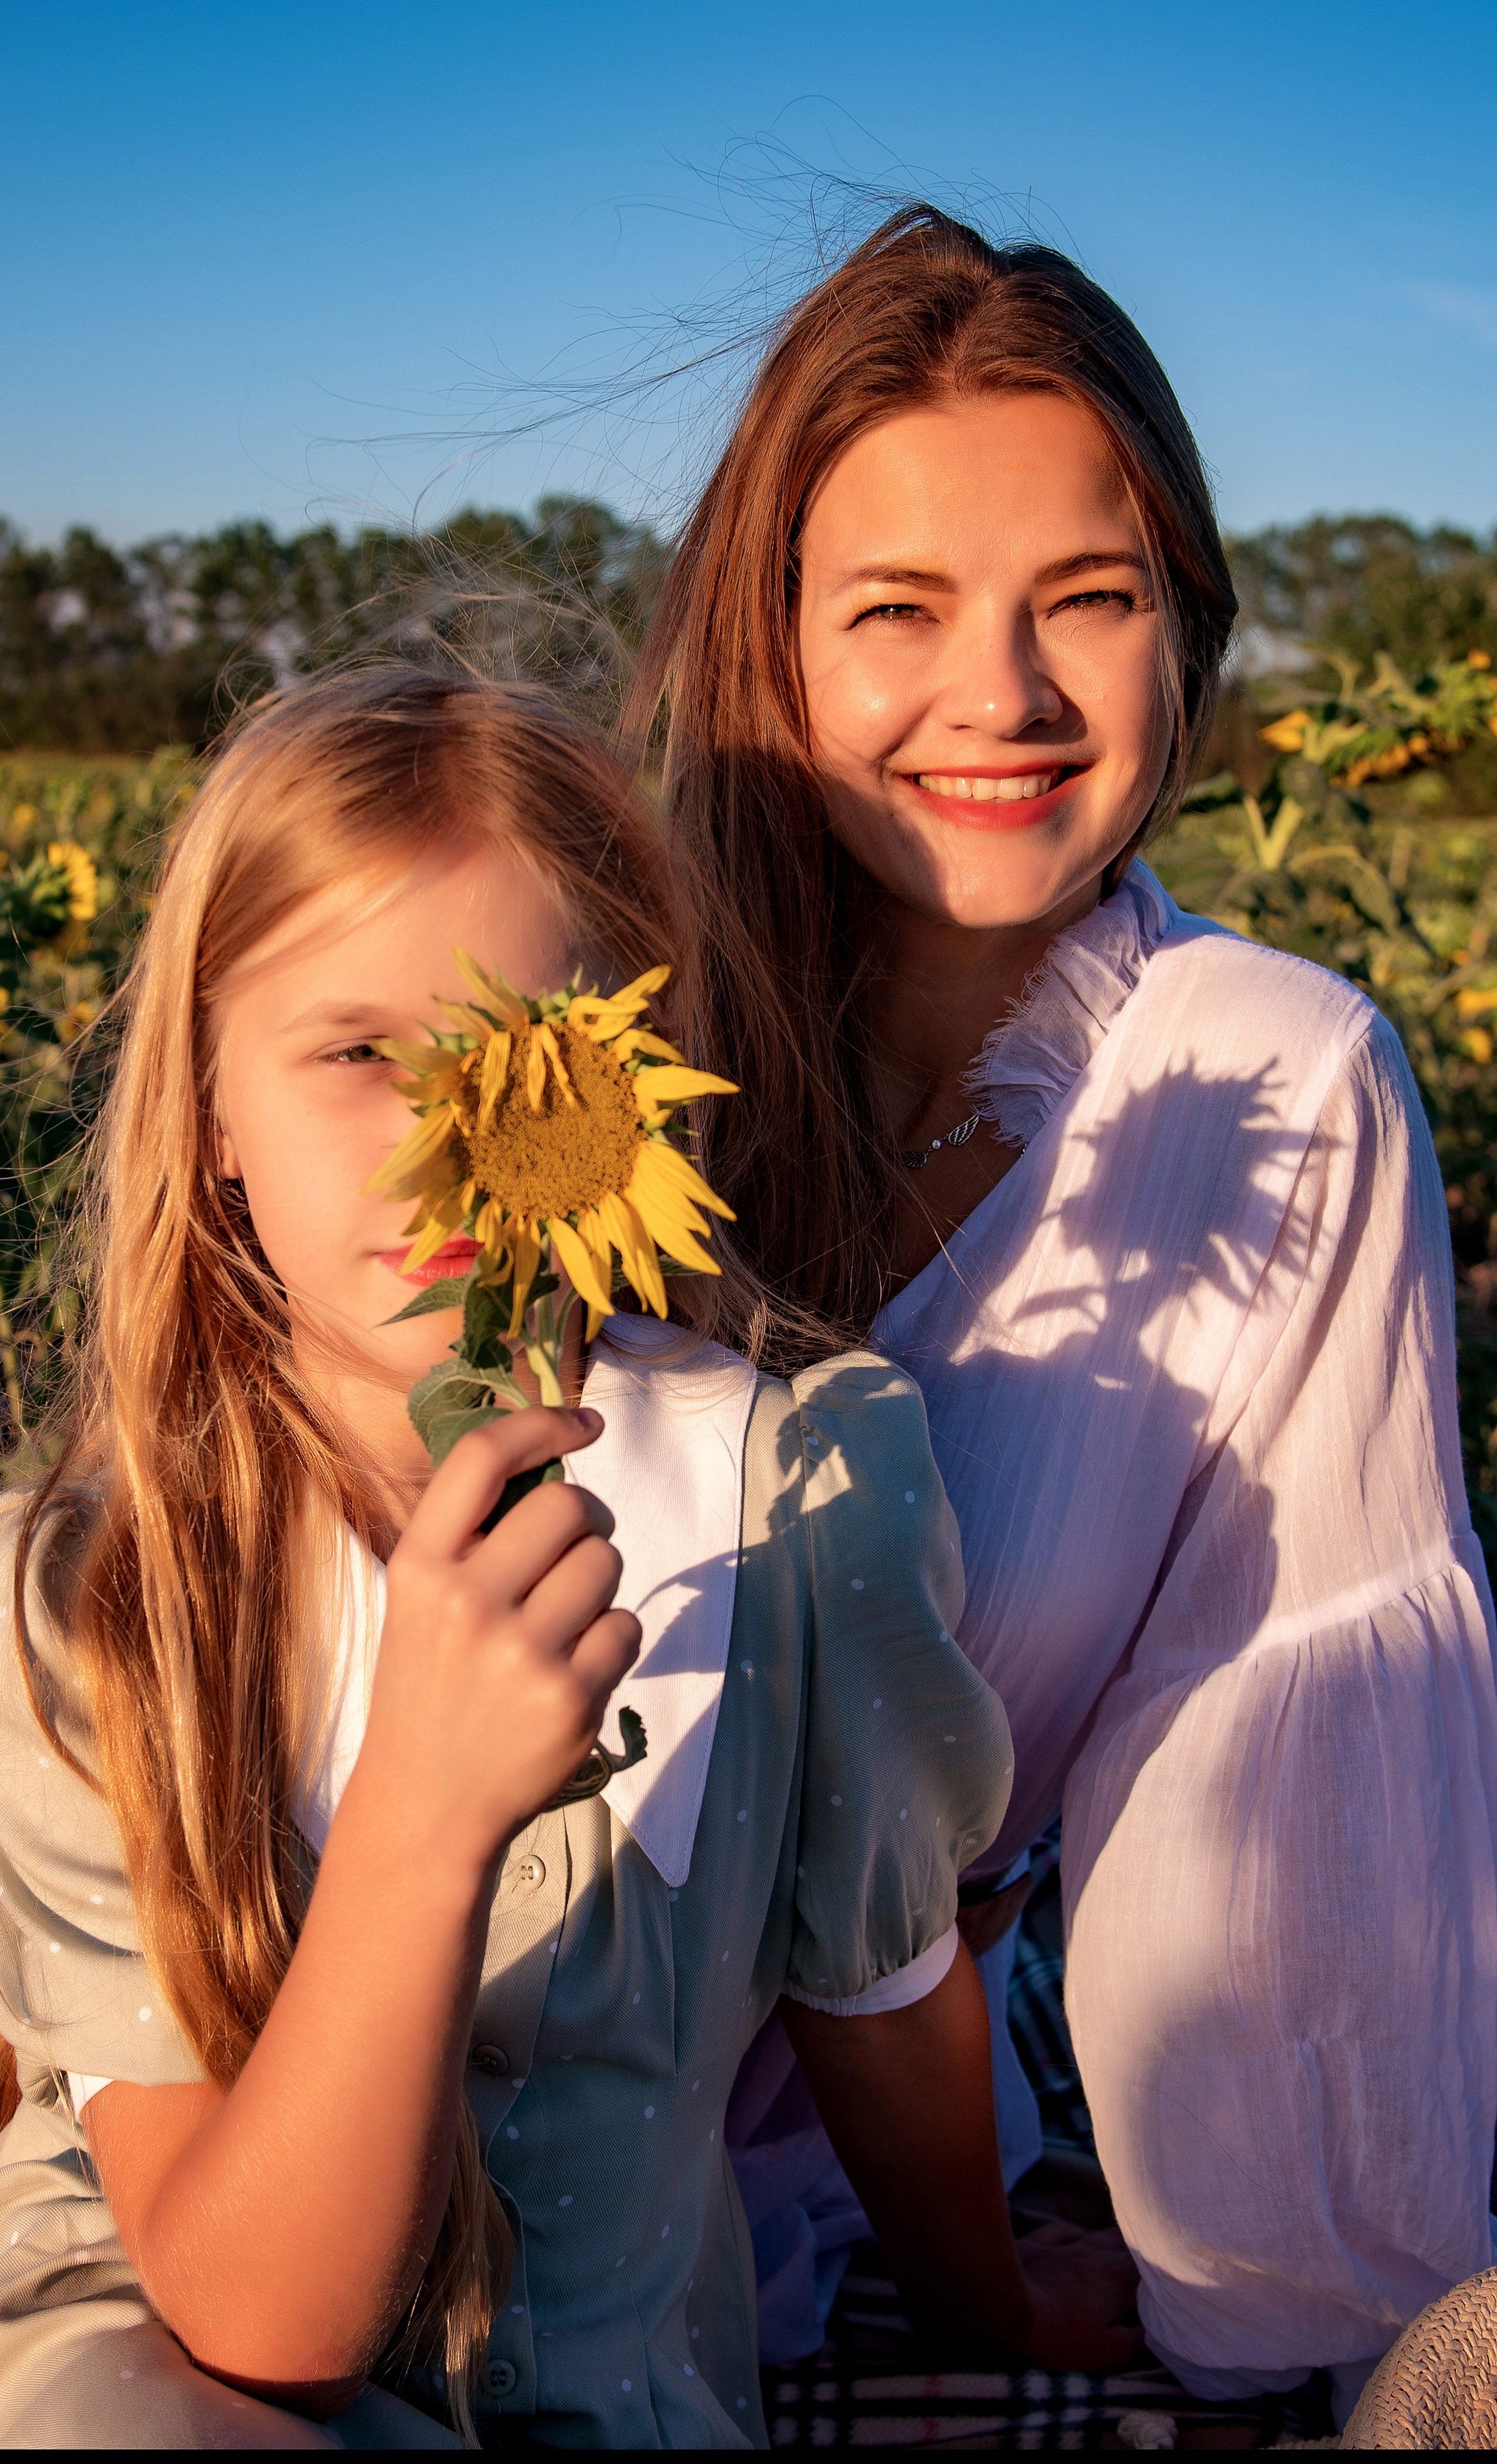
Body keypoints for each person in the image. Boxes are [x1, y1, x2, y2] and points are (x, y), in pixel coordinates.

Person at [0, 667, 1134, 2450]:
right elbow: (253, 2323)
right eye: (360, 1052)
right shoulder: (89, 1594)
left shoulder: (802, 1492)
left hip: (601, 2383)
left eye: (536, 1061)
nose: (458, 1142)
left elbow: (881, 1989)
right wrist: (421, 1818)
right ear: (210, 1111)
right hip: (165, 2349)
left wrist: (985, 2300)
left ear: (635, 1078)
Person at [628, 205, 1497, 2414]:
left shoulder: (1271, 1082)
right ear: (774, 644)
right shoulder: (597, 1024)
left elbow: (1289, 1726)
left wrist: (1286, 2306)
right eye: (897, 610)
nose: (1000, 697)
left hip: (817, 2155)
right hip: (373, 1998)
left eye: (1086, 604)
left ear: (1185, 637)